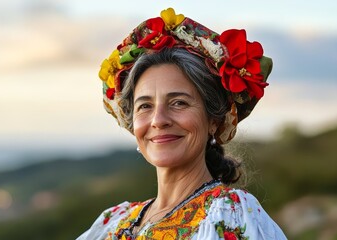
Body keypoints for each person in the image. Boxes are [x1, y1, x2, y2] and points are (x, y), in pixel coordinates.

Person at [78, 8, 287, 239]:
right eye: (145, 106)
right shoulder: (114, 220)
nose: (158, 120)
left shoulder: (231, 215)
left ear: (214, 121)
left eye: (178, 103)